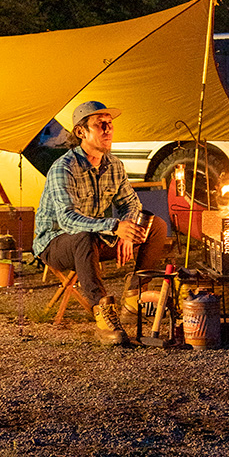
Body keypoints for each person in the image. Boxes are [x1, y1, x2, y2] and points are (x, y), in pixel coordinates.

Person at [34, 100, 167, 345]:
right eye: (100, 124)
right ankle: (103, 313)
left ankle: (133, 297)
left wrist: (127, 231)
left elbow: (131, 204)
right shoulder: (64, 168)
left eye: (110, 124)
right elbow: (67, 219)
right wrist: (116, 227)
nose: (108, 129)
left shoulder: (114, 165)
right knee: (83, 235)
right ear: (81, 132)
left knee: (155, 225)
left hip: (95, 238)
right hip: (56, 243)